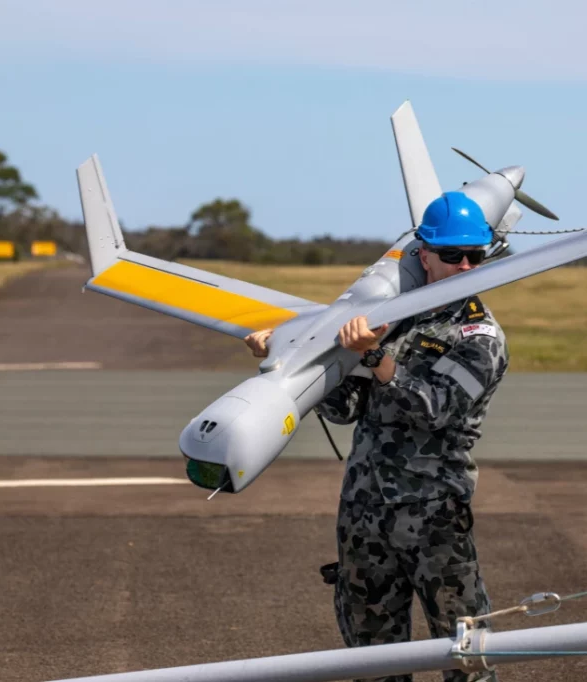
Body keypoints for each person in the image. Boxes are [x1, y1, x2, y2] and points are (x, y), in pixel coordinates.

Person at [245, 191, 508, 682]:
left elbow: (434, 409)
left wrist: (374, 358)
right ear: (424, 255)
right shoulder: (389, 318)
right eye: (453, 256)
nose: (467, 265)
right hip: (365, 513)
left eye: (477, 255)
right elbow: (346, 407)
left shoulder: (479, 337)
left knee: (466, 653)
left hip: (433, 517)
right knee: (371, 654)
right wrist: (289, 359)